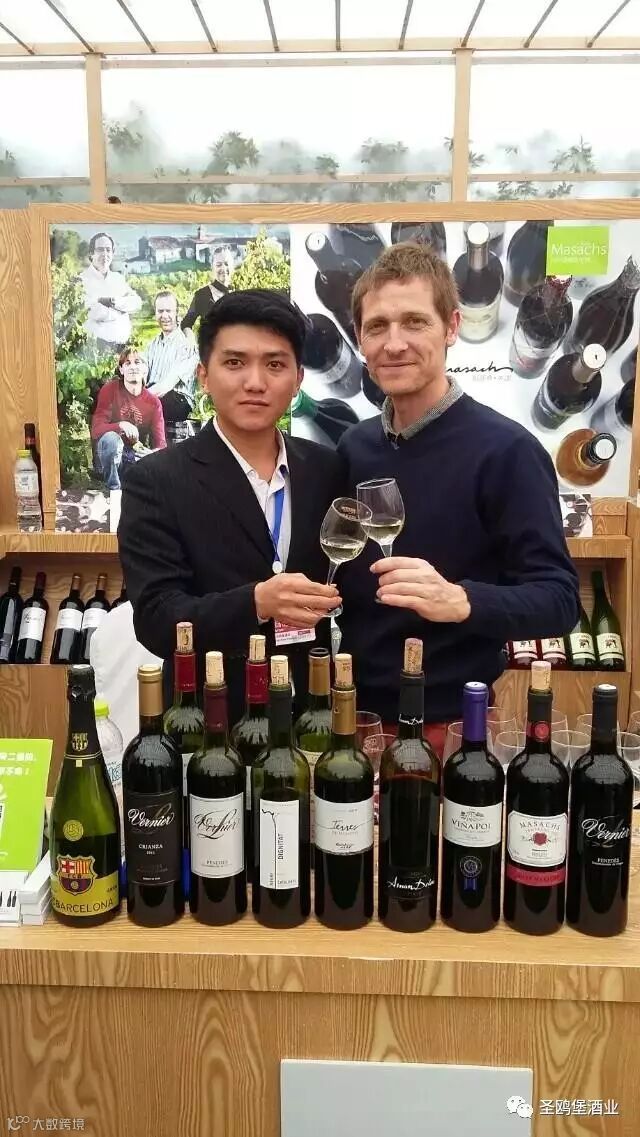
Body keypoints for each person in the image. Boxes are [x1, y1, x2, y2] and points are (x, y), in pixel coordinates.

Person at [336, 242, 580, 752]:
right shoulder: (354, 447)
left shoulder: (507, 451)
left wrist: (460, 599)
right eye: (377, 326)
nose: (394, 343)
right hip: (353, 720)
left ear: (450, 327)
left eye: (414, 322)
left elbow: (559, 600)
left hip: (452, 726)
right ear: (359, 339)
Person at [118, 289, 344, 722]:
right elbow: (156, 620)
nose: (255, 382)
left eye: (275, 364)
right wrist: (257, 602)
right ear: (204, 375)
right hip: (208, 723)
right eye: (235, 362)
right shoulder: (157, 480)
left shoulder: (326, 469)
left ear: (298, 378)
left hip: (312, 716)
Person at [91, 347, 166, 492]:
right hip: (111, 454)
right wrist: (121, 425)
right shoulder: (109, 390)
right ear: (121, 369)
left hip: (134, 455)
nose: (132, 367)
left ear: (145, 369)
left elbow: (161, 445)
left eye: (137, 362)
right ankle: (113, 490)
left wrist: (152, 455)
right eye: (127, 363)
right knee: (111, 439)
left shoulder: (153, 402)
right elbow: (96, 430)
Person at [145, 290, 200, 444]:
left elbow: (166, 386)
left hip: (177, 400)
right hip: (156, 396)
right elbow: (142, 373)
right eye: (160, 311)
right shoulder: (152, 345)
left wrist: (135, 399)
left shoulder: (186, 345)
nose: (164, 316)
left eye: (168, 311)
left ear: (177, 313)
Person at [79, 232, 142, 353]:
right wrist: (122, 311)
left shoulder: (118, 279)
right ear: (91, 253)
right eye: (100, 250)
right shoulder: (82, 281)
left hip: (123, 349)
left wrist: (113, 302)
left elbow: (136, 303)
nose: (105, 254)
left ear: (112, 253)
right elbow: (94, 312)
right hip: (96, 351)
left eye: (108, 250)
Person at [181, 246, 236, 331]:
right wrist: (190, 336)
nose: (223, 268)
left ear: (232, 266)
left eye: (226, 264)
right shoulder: (202, 295)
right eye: (218, 265)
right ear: (212, 267)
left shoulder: (238, 294)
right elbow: (186, 324)